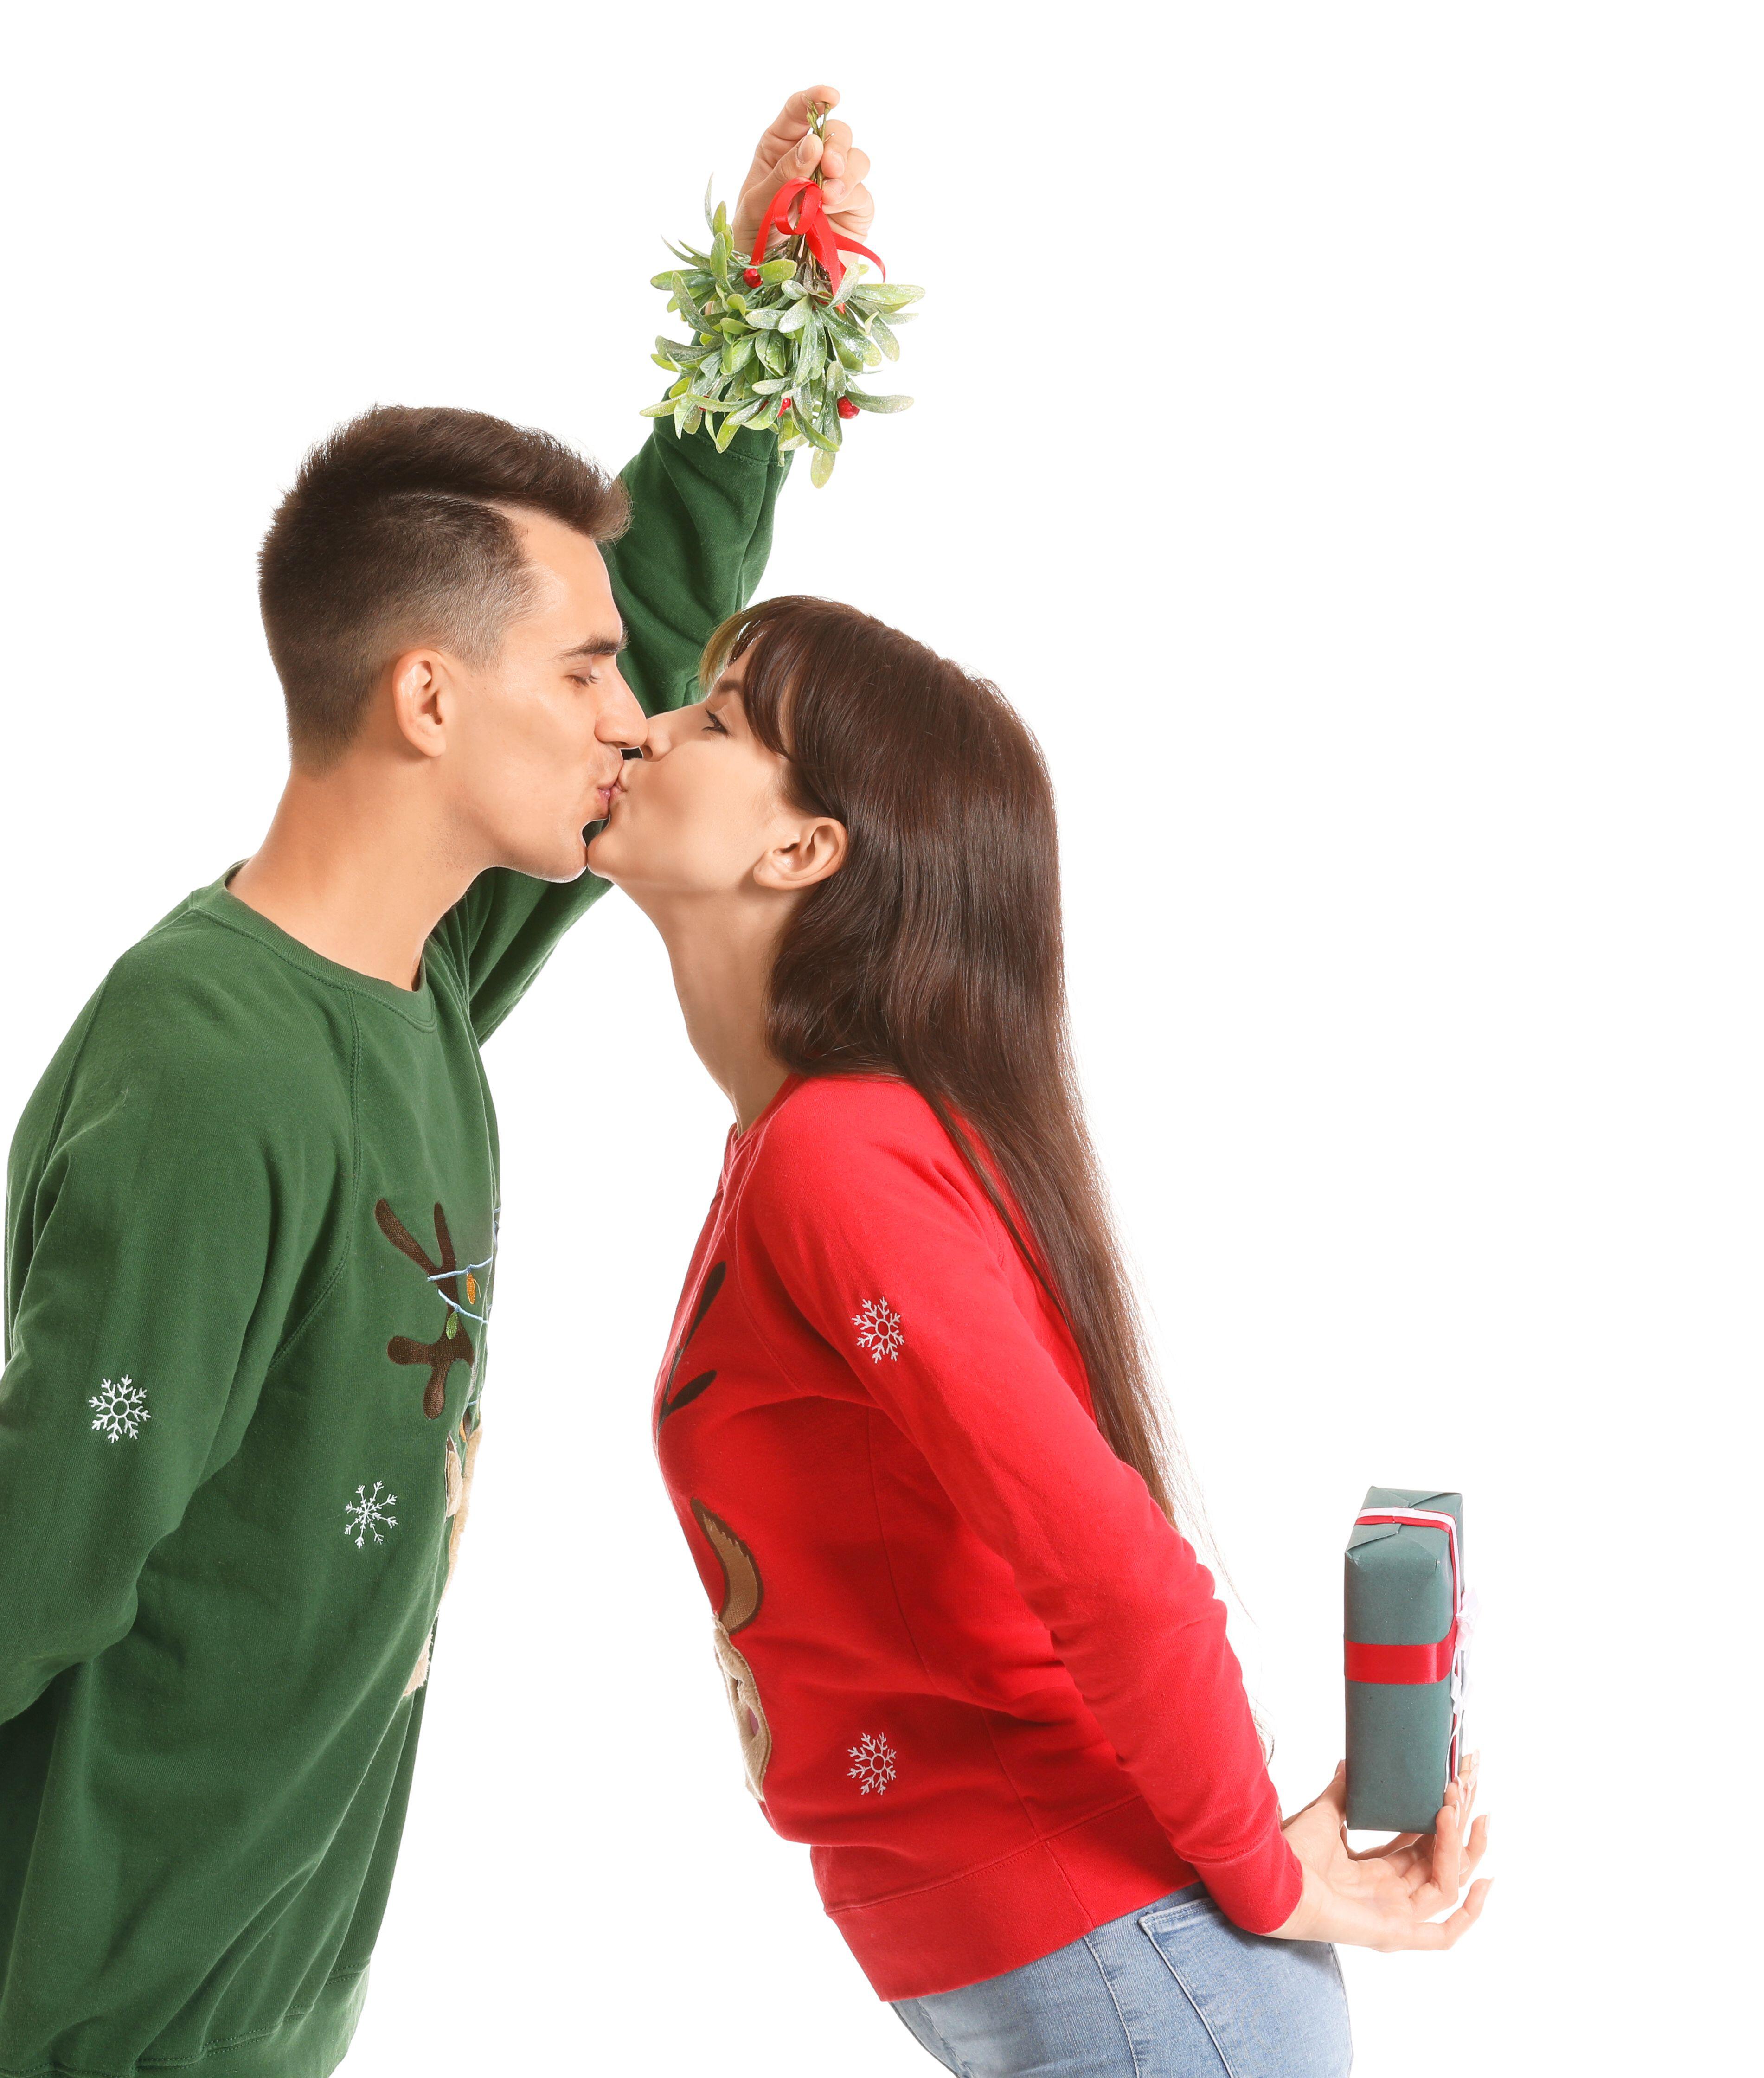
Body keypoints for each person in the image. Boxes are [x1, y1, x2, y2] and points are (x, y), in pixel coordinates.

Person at [0, 90, 876, 2078]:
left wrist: (772, 316)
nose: (634, 720)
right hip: (86, 2007)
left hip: (257, 1985)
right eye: (579, 679)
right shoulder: (209, 1071)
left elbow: (649, 594)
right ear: (426, 697)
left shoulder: (404, 991)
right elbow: (69, 1506)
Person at [585, 596, 1492, 2077]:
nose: (645, 725)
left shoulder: (834, 1156)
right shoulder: (793, 1150)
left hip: (1135, 1979)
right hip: (1105, 1971)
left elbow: (1110, 1564)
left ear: (801, 849)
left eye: (717, 718)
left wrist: (1263, 1880)